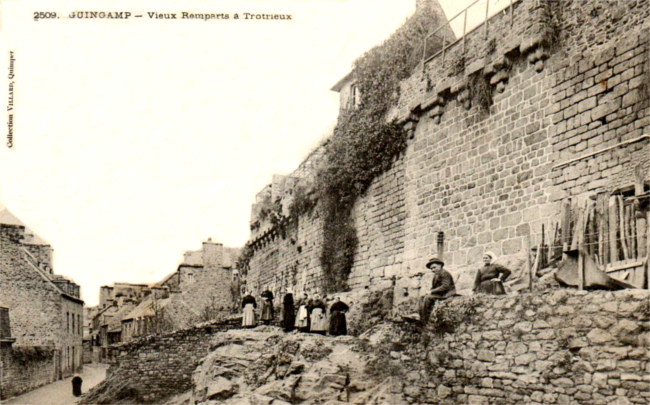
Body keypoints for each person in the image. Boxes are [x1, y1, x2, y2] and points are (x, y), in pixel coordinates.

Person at [418, 257, 456, 324]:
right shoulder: (436, 275)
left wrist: (432, 292)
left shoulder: (445, 273)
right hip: (440, 294)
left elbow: (445, 286)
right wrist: (429, 291)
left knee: (428, 298)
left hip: (446, 294)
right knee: (422, 297)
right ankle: (419, 316)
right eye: (431, 268)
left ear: (440, 266)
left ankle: (425, 320)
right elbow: (434, 288)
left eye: (434, 267)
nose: (432, 270)